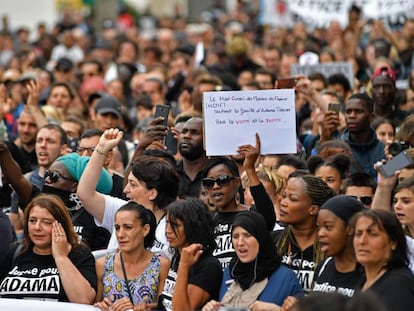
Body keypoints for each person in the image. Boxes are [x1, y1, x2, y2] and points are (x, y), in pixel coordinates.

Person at [77, 128, 178, 257]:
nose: (125, 190)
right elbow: (85, 193)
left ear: (152, 193)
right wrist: (101, 149)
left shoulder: (171, 227)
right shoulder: (120, 210)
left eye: (133, 184)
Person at [0, 194, 96, 303]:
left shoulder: (79, 254)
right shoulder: (15, 252)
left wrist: (61, 257)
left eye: (46, 222)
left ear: (62, 225)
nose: (37, 228)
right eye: (32, 221)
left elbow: (84, 300)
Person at [202, 211, 303, 311]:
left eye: (247, 235)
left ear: (260, 238)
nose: (240, 242)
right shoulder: (231, 271)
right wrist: (211, 308)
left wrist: (277, 309)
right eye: (235, 236)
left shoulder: (285, 277)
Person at [201, 134, 276, 269]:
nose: (216, 186)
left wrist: (250, 169)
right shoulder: (207, 224)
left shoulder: (251, 215)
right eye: (209, 183)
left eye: (222, 180)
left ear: (237, 183)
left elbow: (268, 218)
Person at [94, 202, 169, 311]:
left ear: (145, 230)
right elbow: (93, 303)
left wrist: (145, 307)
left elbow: (166, 306)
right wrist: (100, 306)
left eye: (128, 227)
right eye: (117, 228)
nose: (120, 234)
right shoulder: (102, 264)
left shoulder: (161, 264)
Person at [273, 174, 336, 292]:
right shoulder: (274, 240)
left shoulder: (330, 246)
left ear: (313, 209)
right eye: (284, 196)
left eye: (293, 199)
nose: (283, 203)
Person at [158, 198, 222, 311]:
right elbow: (168, 302)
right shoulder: (176, 256)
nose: (168, 230)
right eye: (167, 223)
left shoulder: (208, 266)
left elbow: (182, 309)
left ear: (192, 226)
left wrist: (184, 266)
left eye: (175, 225)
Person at [352, 209, 414, 311]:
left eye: (372, 234)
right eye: (358, 234)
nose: (362, 241)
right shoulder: (363, 280)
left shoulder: (399, 284)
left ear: (393, 243)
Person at [313, 195, 365, 297]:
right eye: (319, 227)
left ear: (350, 228)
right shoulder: (324, 266)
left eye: (328, 227)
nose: (320, 233)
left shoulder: (368, 273)